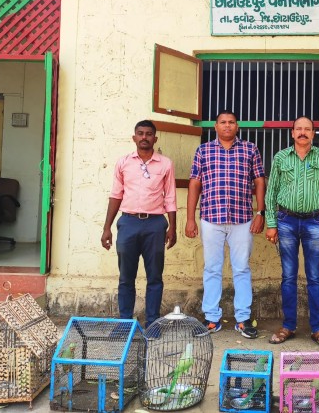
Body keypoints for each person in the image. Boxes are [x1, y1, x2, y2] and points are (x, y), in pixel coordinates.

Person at [185, 110, 266, 339]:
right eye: (223, 122)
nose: (227, 126)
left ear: (237, 126)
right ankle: (211, 319)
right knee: (212, 268)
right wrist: (191, 218)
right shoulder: (204, 150)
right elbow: (194, 184)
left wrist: (260, 212)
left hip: (242, 219)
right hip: (211, 218)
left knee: (241, 268)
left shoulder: (250, 149)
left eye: (231, 122)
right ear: (216, 126)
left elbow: (259, 181)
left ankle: (242, 319)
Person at [265, 116, 319, 350]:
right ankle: (288, 325)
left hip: (314, 223)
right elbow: (271, 193)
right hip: (286, 221)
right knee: (288, 276)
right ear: (292, 133)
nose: (302, 132)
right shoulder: (280, 158)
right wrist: (271, 223)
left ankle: (318, 328)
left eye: (307, 129)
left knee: (314, 277)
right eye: (298, 129)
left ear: (313, 133)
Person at [101, 120, 177, 328]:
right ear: (134, 137)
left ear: (155, 138)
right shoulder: (123, 162)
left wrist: (172, 228)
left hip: (155, 225)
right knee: (126, 277)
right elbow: (116, 195)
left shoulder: (165, 164)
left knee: (155, 277)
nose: (144, 137)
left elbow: (170, 197)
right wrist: (107, 227)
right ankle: (125, 324)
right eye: (140, 133)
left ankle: (152, 323)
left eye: (149, 134)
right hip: (128, 223)